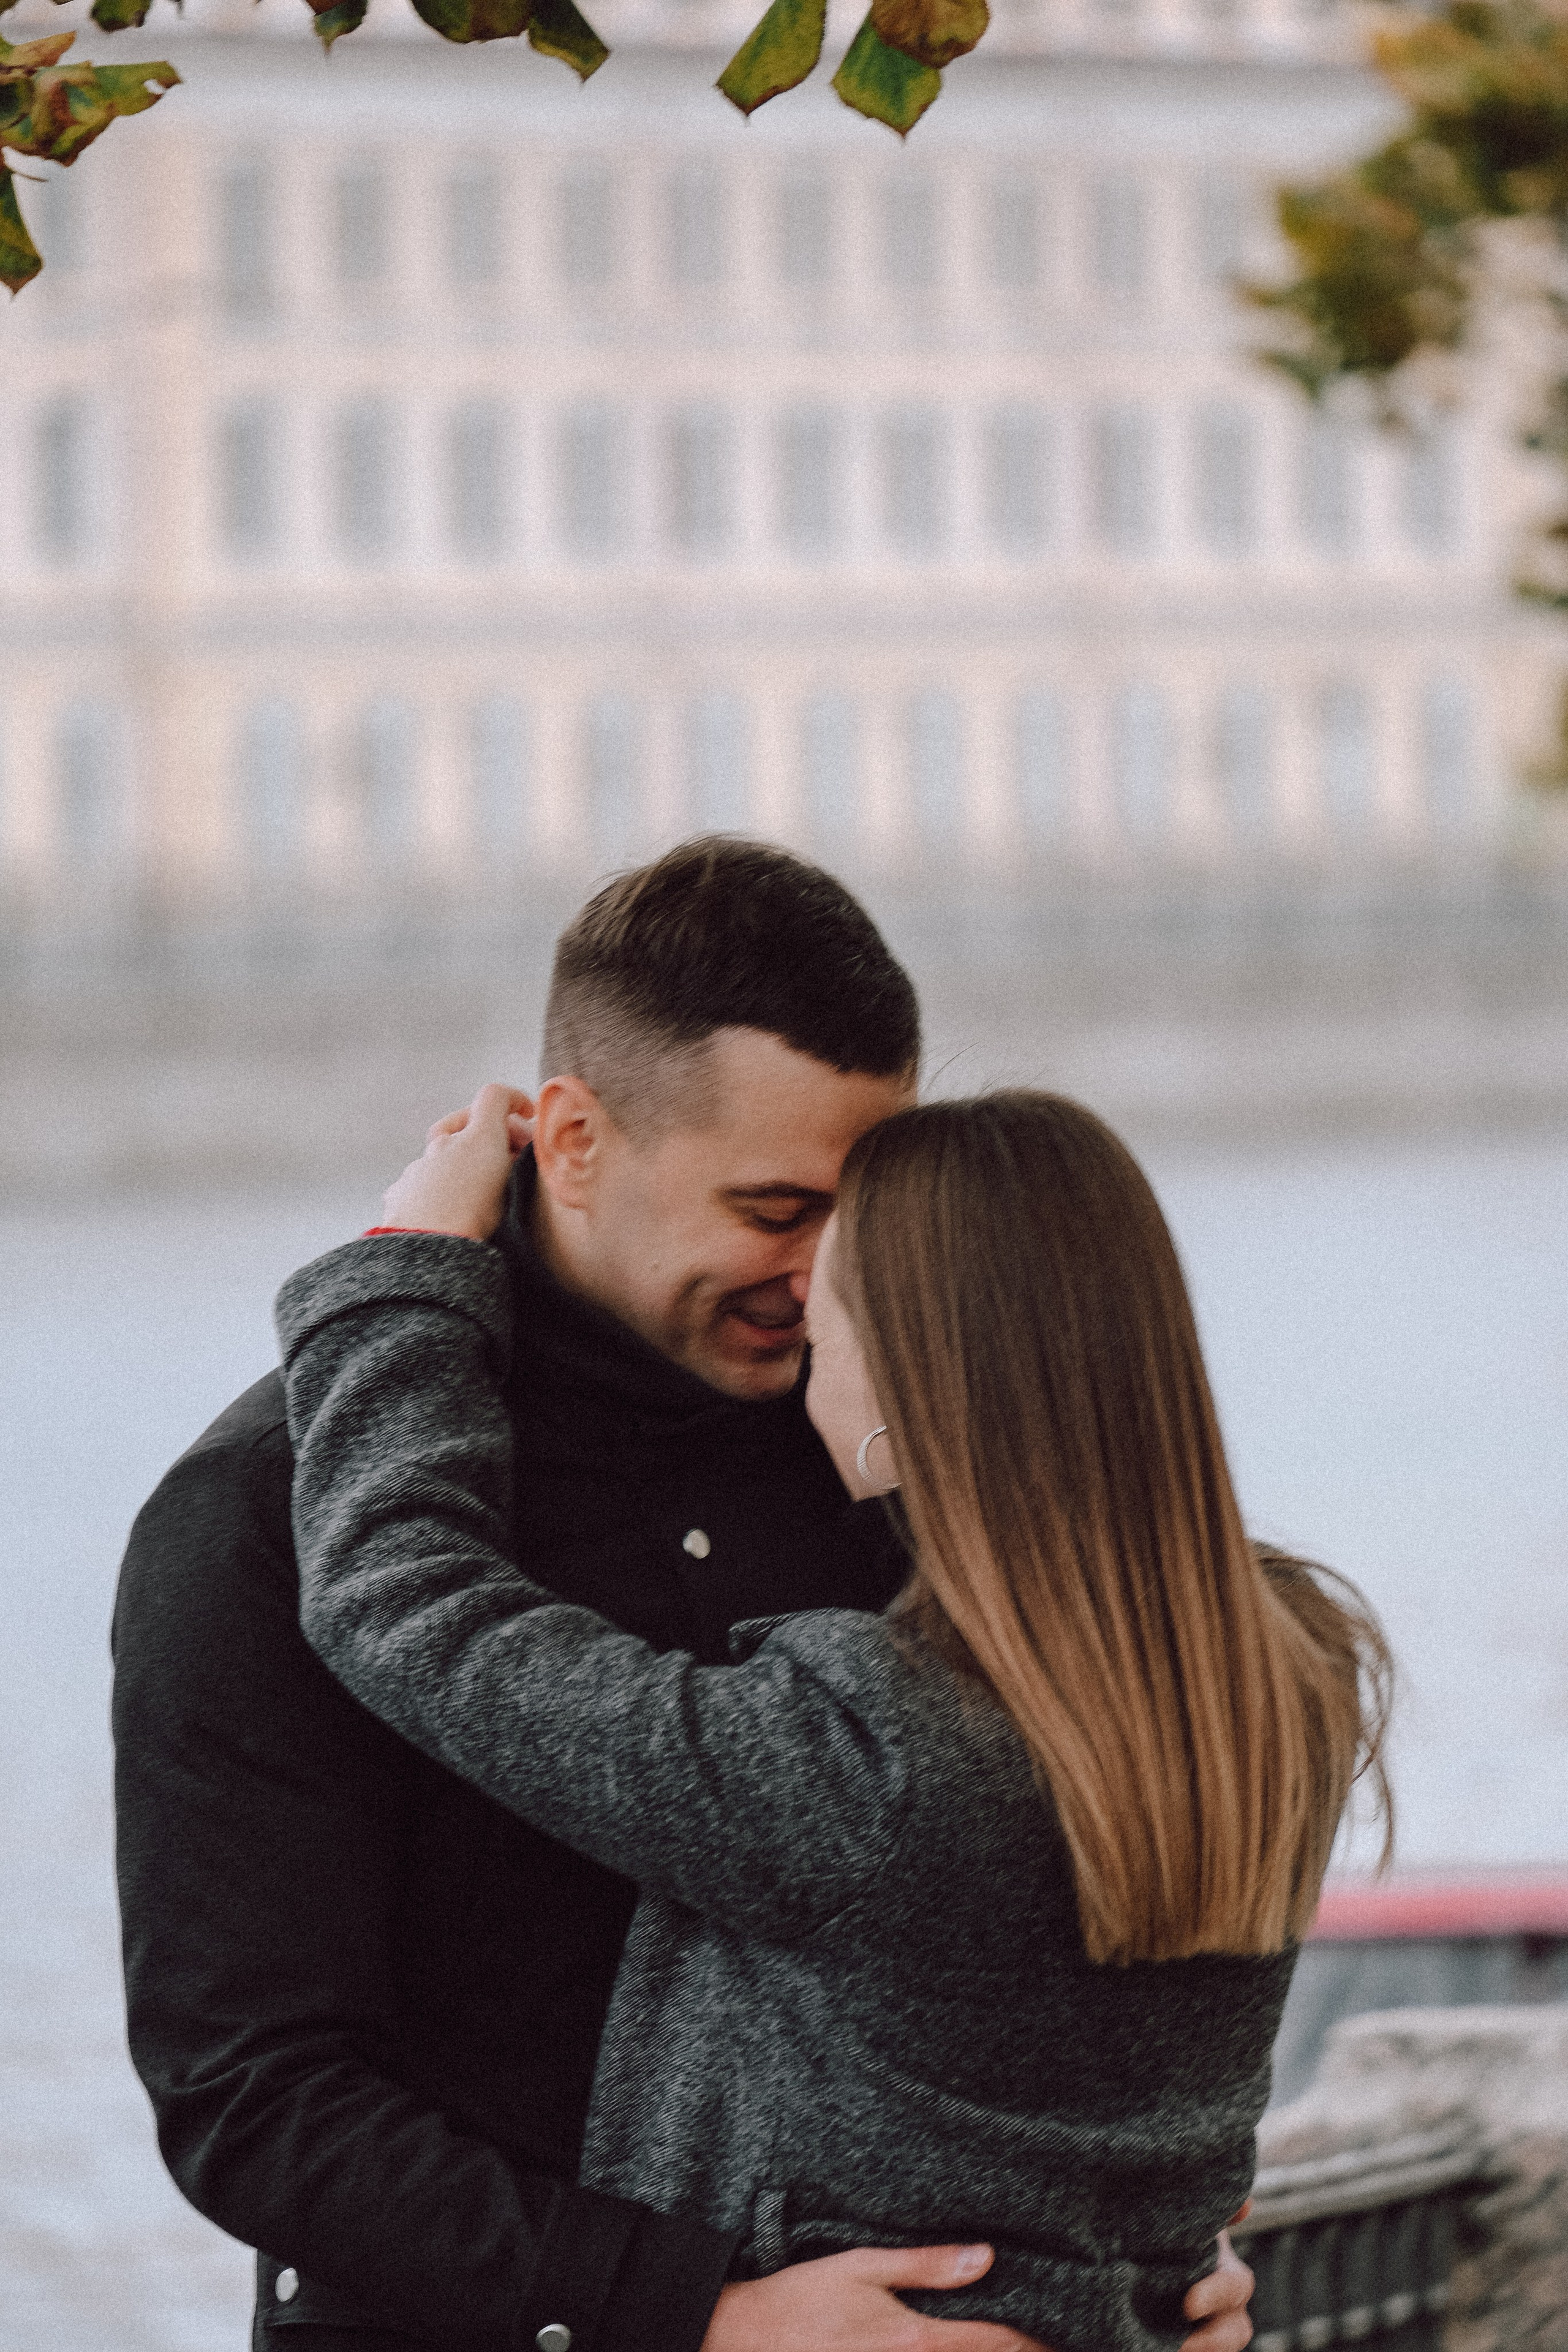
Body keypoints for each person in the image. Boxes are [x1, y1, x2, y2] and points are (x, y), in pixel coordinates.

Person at [114, 837, 1259, 2352]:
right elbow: (252, 2101)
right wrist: (701, 2321)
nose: (829, 1274)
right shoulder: (268, 1510)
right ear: (572, 1138)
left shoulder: (889, 1451)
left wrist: (1153, 2251)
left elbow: (1071, 1895)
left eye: (867, 1219)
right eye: (779, 1208)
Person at [274, 1084, 1392, 2352]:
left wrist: (408, 1263)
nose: (799, 1311)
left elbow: (405, 1601)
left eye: (833, 1305)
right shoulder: (1292, 1676)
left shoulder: (869, 1756)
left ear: (909, 1380)